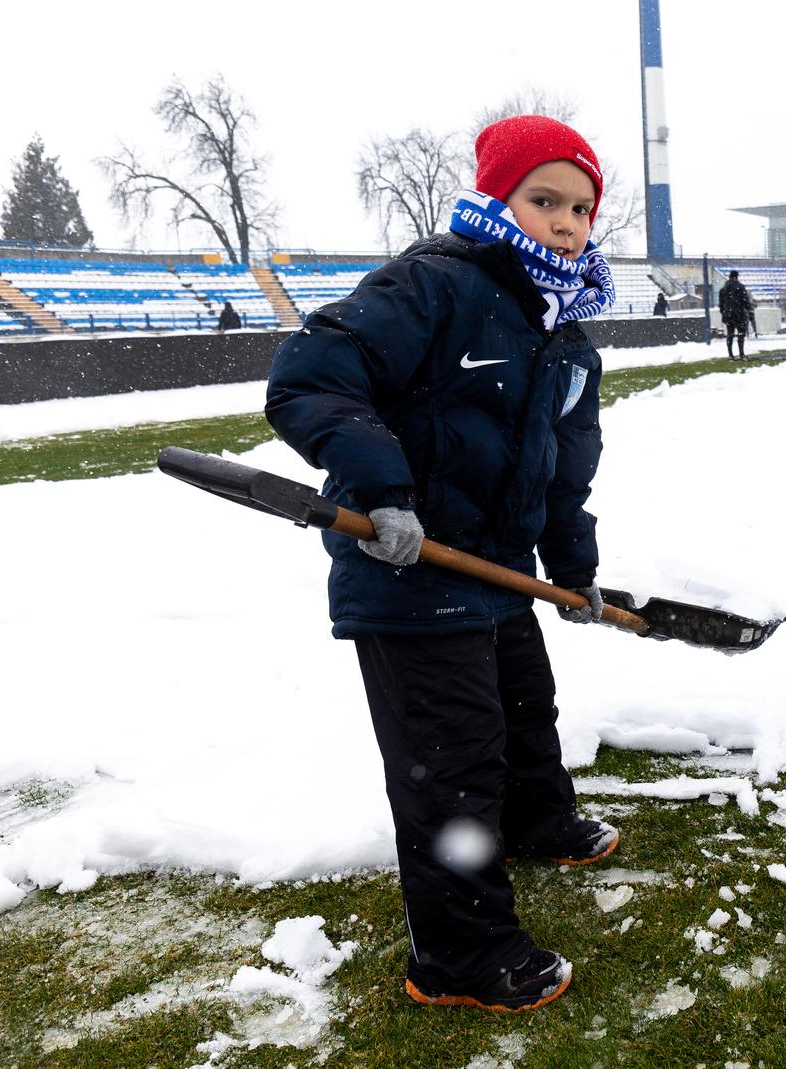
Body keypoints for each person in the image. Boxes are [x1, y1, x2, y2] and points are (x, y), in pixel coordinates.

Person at [265, 114, 620, 1015]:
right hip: (409, 575)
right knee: (452, 761)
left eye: (581, 207)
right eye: (545, 201)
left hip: (495, 573)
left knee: (522, 707)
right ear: (497, 200)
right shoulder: (435, 286)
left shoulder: (567, 337)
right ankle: (458, 954)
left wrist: (574, 570)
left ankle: (540, 823)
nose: (567, 224)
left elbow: (563, 473)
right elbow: (311, 372)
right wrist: (384, 490)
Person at [718, 269, 751, 358]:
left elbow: (721, 304)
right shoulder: (740, 287)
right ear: (737, 277)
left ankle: (730, 354)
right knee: (741, 333)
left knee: (730, 334)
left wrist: (724, 312)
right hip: (739, 314)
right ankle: (741, 353)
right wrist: (748, 309)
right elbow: (746, 301)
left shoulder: (723, 289)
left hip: (728, 315)